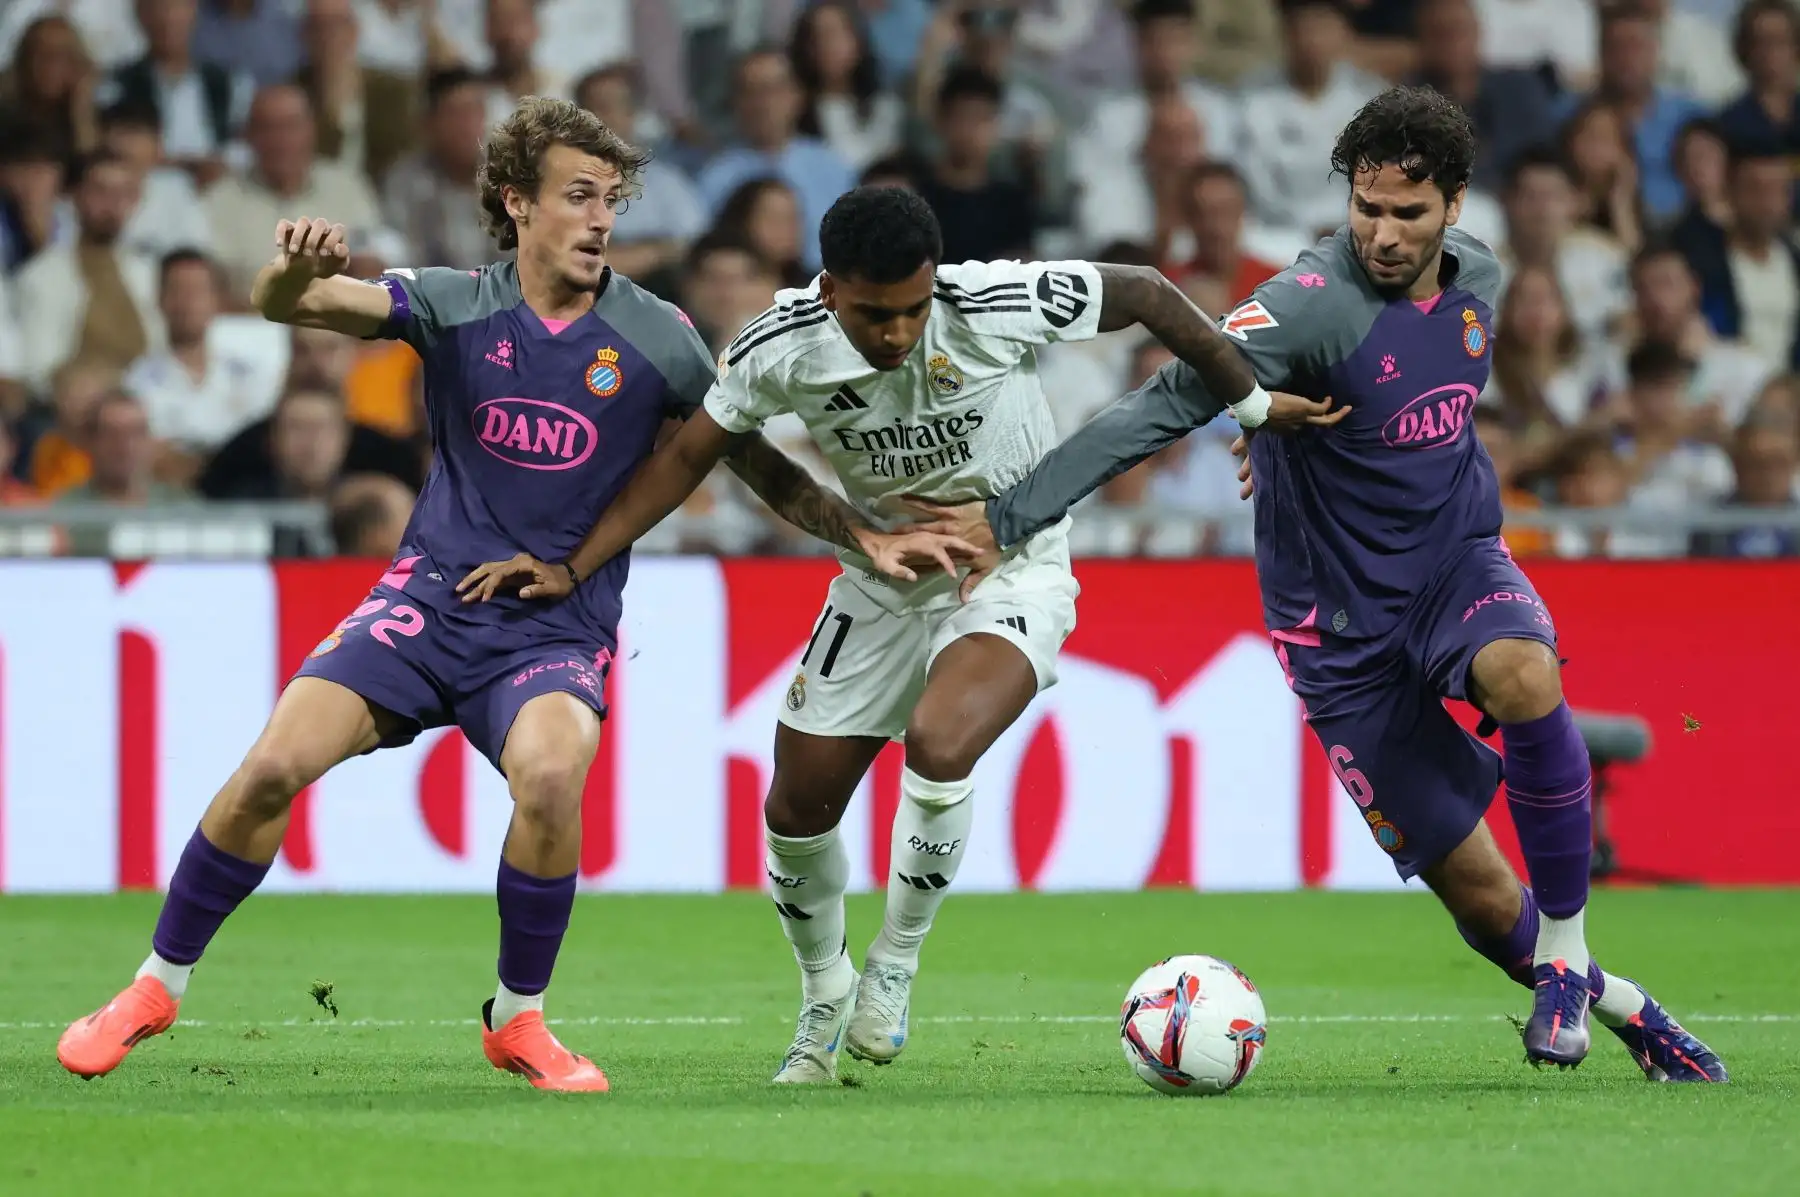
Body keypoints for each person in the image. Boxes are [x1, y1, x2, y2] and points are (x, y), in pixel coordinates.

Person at [55, 98, 962, 1093]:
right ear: (517, 203)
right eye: (579, 196)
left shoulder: (657, 337)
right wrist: (298, 269)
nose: (601, 218)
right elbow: (294, 305)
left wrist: (860, 532)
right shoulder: (453, 302)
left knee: (550, 773)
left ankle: (518, 1019)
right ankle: (153, 987)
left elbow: (750, 464)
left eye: (611, 199)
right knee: (275, 762)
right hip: (427, 603)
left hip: (551, 626)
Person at [909, 87, 1729, 1083]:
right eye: (1366, 208)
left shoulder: (1484, 280)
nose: (1382, 234)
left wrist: (1279, 436)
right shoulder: (1306, 303)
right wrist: (1010, 519)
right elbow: (1165, 402)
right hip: (1338, 635)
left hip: (1455, 564)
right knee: (1477, 903)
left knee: (1524, 674)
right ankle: (1631, 1008)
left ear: (1455, 207)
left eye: (1408, 214)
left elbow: (1427, 410)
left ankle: (1566, 952)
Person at [457, 185, 1340, 1084]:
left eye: (915, 309)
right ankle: (823, 991)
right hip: (882, 583)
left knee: (940, 738)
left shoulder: (990, 302)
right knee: (795, 809)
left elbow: (1150, 290)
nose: (900, 333)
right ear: (831, 291)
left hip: (1013, 564)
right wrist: (581, 564)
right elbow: (696, 453)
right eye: (877, 315)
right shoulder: (778, 345)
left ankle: (894, 964)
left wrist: (1254, 406)